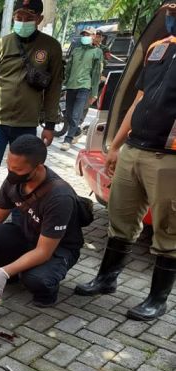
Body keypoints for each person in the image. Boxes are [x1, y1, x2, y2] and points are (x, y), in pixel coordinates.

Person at [75, 4, 176, 321]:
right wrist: (116, 144)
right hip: (134, 149)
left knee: (168, 230)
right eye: (170, 9)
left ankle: (157, 300)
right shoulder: (159, 49)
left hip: (170, 158)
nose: (171, 14)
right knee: (120, 218)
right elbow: (139, 99)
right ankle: (107, 279)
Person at [0, 135, 84, 306]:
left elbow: (43, 251)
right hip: (28, 236)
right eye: (9, 166)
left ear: (38, 167)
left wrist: (3, 272)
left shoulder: (59, 196)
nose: (11, 172)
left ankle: (46, 290)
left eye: (17, 170)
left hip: (57, 249)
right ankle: (13, 274)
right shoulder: (16, 179)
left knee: (35, 279)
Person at [0, 0, 63, 227]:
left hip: (27, 124)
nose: (22, 21)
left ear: (39, 19)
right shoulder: (1, 45)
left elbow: (54, 88)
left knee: (22, 174)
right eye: (19, 17)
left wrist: (50, 125)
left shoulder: (51, 47)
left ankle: (20, 217)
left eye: (28, 17)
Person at [60, 27, 103, 151]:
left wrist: (94, 93)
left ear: (94, 36)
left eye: (88, 34)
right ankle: (77, 131)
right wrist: (65, 83)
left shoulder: (97, 52)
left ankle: (67, 140)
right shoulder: (76, 50)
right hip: (71, 86)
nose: (85, 36)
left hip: (85, 86)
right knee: (67, 114)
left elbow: (96, 74)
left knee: (75, 114)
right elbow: (68, 69)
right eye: (84, 34)